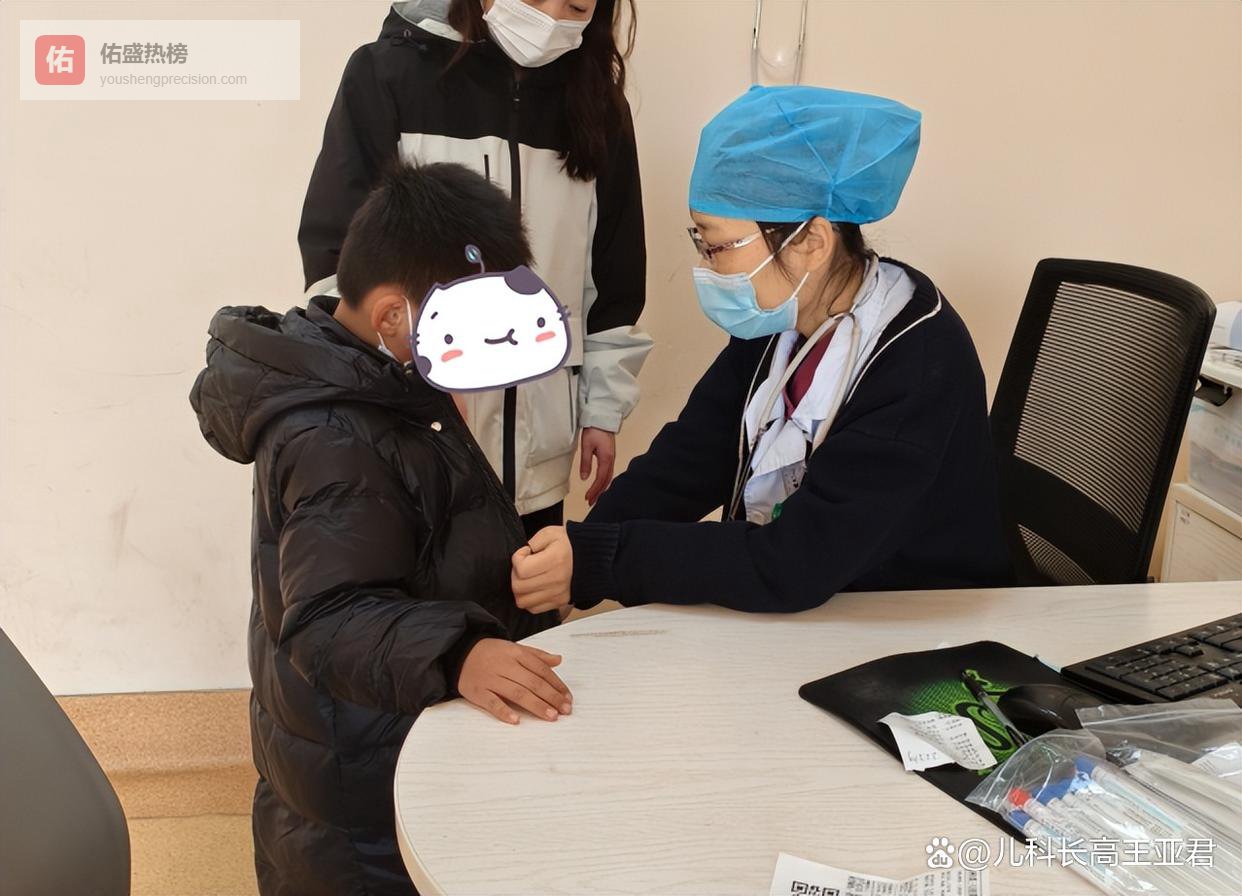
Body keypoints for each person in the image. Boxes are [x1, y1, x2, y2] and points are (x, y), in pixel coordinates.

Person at [191, 162, 573, 896]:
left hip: (383, 737)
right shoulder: (333, 434)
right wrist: (459, 651)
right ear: (394, 315)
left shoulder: (388, 384)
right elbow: (328, 616)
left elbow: (420, 533)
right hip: (362, 788)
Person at [510, 86, 1013, 616]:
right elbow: (692, 456)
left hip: (914, 617)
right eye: (700, 242)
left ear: (812, 242)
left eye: (718, 246)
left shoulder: (918, 362)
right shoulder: (786, 319)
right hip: (823, 604)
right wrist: (574, 556)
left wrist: (602, 559)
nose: (705, 267)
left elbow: (797, 561)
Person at [298, 0, 652, 537]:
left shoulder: (598, 108)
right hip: (414, 444)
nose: (552, 18)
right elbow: (335, 263)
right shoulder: (388, 75)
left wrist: (603, 409)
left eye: (577, 5)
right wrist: (387, 394)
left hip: (538, 453)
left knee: (529, 590)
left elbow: (615, 280)